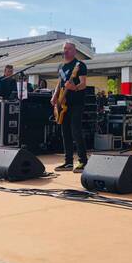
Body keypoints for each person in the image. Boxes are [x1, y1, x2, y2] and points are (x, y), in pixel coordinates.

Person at [51, 41, 88, 173]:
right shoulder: (61, 66)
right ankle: (68, 162)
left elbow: (83, 83)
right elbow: (59, 83)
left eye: (68, 49)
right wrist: (55, 96)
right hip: (63, 103)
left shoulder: (79, 65)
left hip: (76, 103)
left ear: (74, 51)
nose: (65, 51)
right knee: (65, 132)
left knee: (75, 131)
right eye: (64, 49)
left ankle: (83, 161)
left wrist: (75, 87)